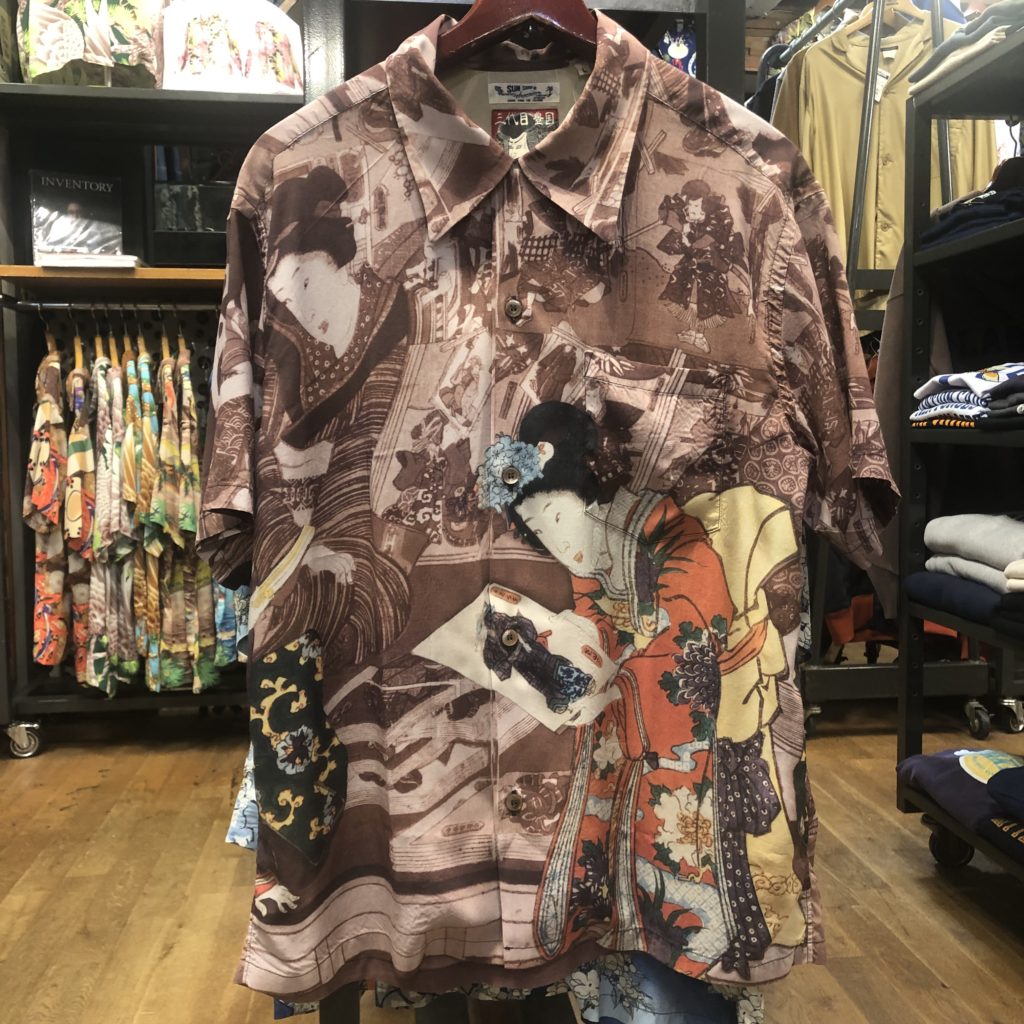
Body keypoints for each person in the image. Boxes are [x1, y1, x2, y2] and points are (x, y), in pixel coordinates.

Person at [477, 402, 788, 980]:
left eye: (554, 515)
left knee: (677, 814)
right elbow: (597, 623)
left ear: (580, 492)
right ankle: (601, 920)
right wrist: (555, 653)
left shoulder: (659, 526)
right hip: (629, 705)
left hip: (696, 703)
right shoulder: (588, 555)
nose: (556, 539)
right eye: (539, 530)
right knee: (597, 784)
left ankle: (694, 928)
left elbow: (692, 622)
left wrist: (617, 672)